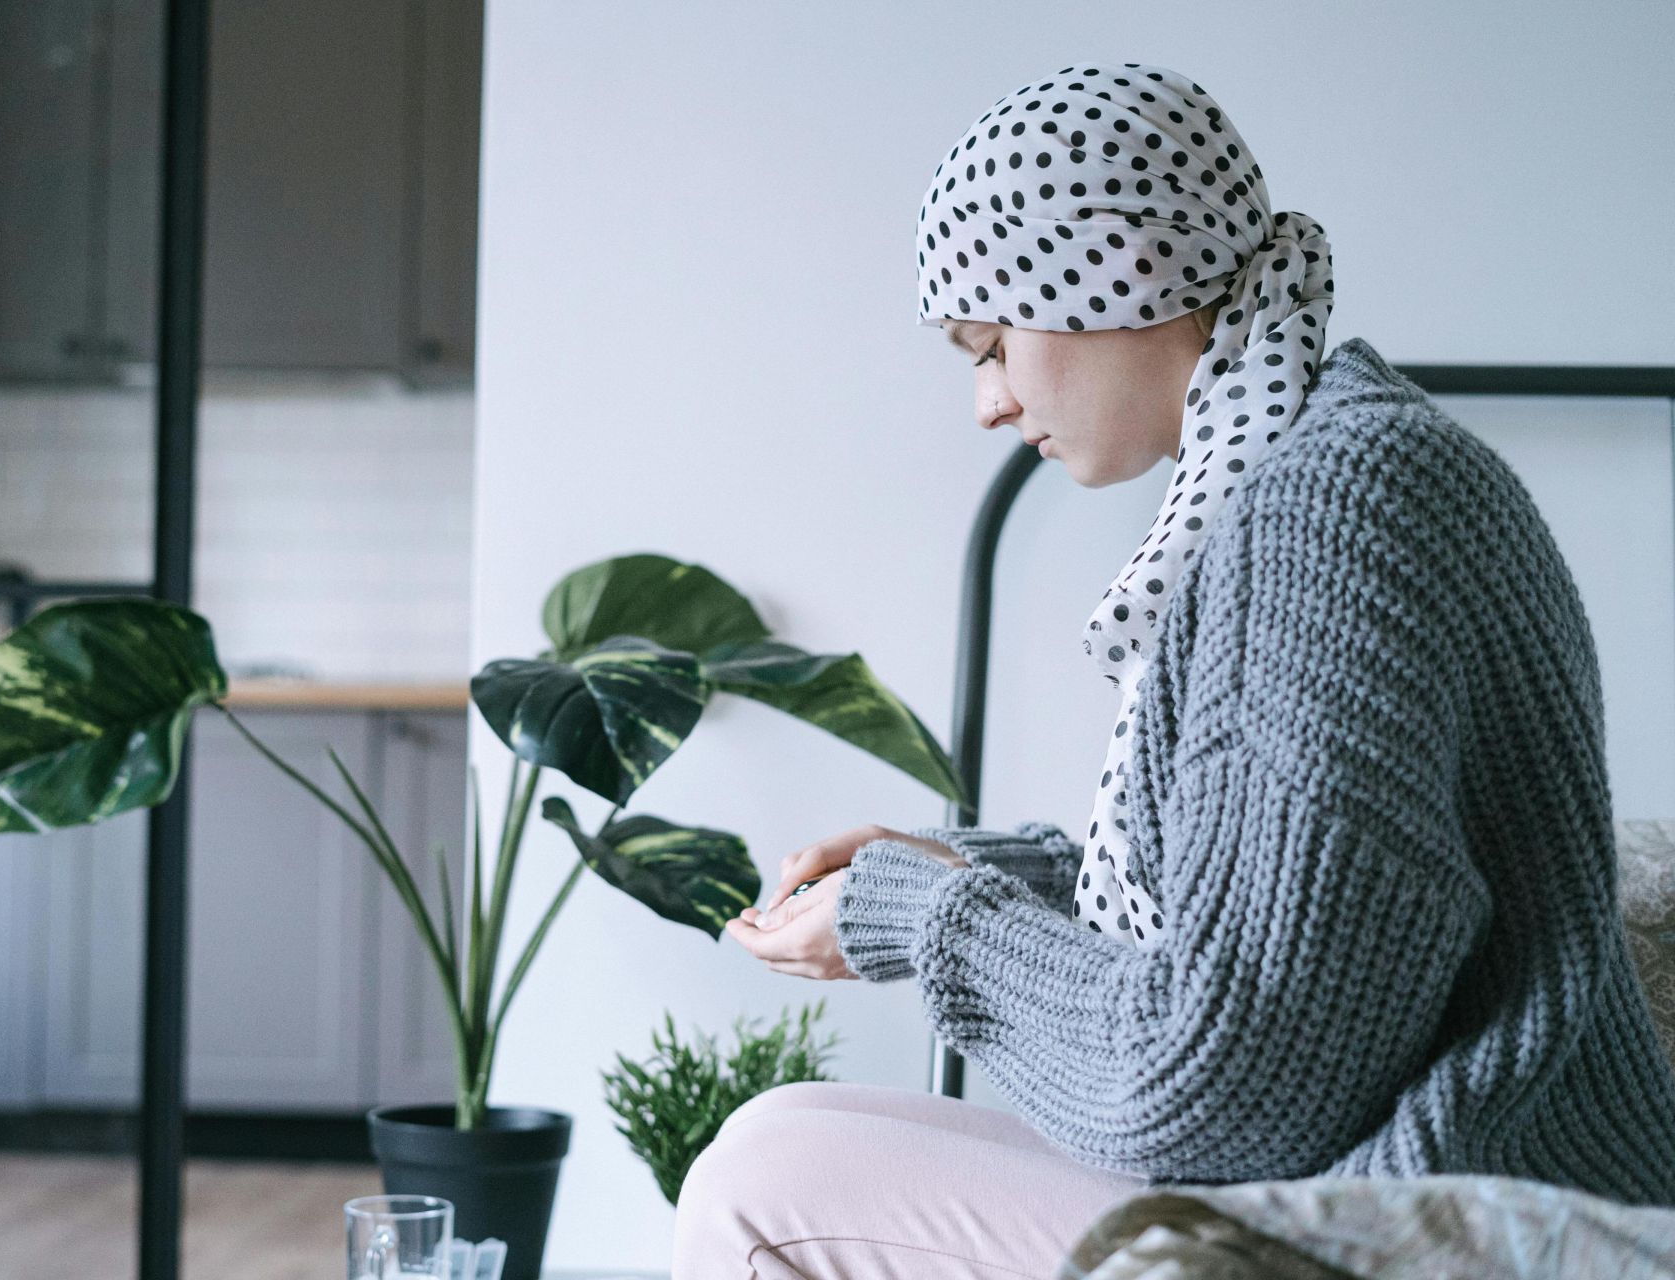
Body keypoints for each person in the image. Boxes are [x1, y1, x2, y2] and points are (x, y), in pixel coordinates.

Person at [671, 62, 1675, 1279]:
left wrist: (925, 916)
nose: (988, 403)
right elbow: (1274, 912)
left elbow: (1230, 1082)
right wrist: (948, 877)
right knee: (781, 1134)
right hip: (1392, 1161)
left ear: (1120, 268)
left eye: (991, 342)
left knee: (759, 1186)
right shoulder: (1341, 461)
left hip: (1423, 1200)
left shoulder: (1332, 509)